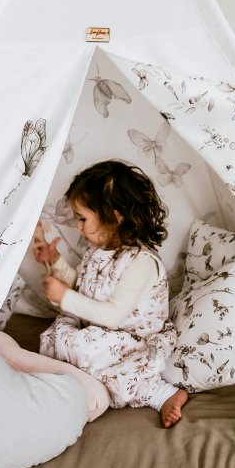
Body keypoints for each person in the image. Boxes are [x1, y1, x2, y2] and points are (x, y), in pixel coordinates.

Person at [33, 160, 189, 428]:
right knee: (62, 331)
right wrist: (55, 262)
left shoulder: (141, 263)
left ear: (114, 217)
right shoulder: (97, 253)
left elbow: (113, 315)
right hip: (101, 330)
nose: (78, 225)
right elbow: (84, 288)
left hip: (133, 339)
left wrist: (64, 297)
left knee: (86, 349)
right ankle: (80, 377)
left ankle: (164, 394)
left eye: (82, 218)